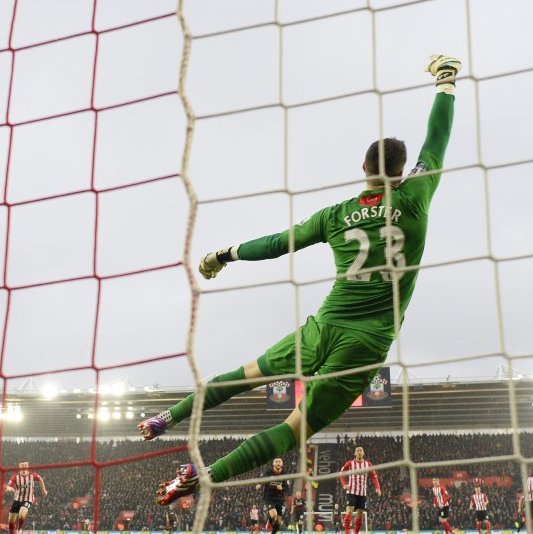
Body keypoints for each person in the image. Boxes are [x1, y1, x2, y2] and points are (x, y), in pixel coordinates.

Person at [142, 55, 461, 504]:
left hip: (321, 328)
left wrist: (224, 254)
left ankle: (165, 418)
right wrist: (445, 81)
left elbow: (277, 243)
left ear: (362, 167)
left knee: (242, 375)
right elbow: (437, 140)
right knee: (291, 432)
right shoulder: (416, 198)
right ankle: (205, 475)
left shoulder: (334, 216)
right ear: (404, 170)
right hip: (363, 346)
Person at [341, 447, 381, 534]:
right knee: (350, 510)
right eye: (357, 451)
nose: (359, 452)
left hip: (362, 493)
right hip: (351, 491)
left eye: (360, 451)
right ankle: (346, 532)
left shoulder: (368, 464)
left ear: (363, 453)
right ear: (355, 454)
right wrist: (344, 484)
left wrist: (378, 487)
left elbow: (374, 476)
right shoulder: (350, 463)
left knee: (360, 513)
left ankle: (356, 532)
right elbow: (341, 473)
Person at [4, 461, 48, 534]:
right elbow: (9, 486)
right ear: (19, 467)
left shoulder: (33, 475)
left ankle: (19, 529)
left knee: (22, 513)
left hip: (28, 499)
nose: (24, 466)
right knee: (11, 520)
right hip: (17, 499)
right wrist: (10, 489)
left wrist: (44, 490)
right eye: (22, 465)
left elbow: (40, 480)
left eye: (25, 465)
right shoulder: (15, 476)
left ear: (28, 467)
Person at [257, 457, 290, 534]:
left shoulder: (285, 474)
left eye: (279, 461)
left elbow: (287, 487)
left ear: (282, 464)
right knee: (274, 514)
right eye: (276, 461)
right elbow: (262, 479)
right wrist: (259, 485)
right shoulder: (268, 472)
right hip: (269, 497)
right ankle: (269, 521)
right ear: (273, 464)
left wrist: (282, 488)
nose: (278, 463)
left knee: (278, 521)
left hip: (280, 498)